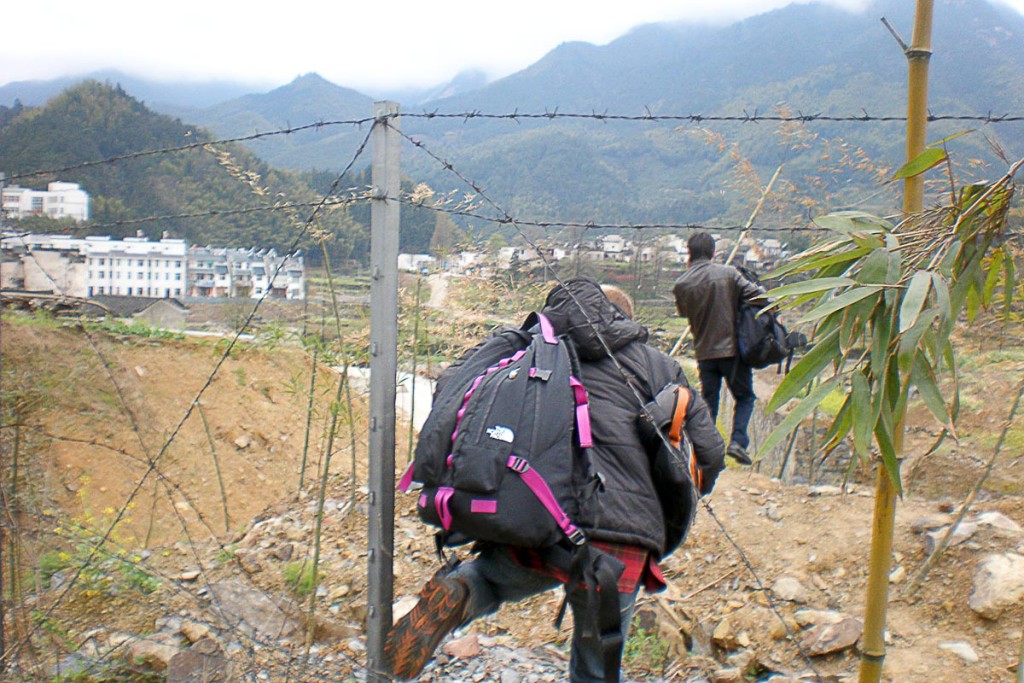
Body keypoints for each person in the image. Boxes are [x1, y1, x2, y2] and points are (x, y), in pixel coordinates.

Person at [385, 276, 725, 683]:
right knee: (596, 666)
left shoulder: (540, 352)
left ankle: (464, 590)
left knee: (496, 577)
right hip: (624, 542)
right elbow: (711, 452)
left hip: (547, 519)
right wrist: (687, 491)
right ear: (625, 321)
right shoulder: (660, 366)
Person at [671, 232, 767, 466]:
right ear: (713, 252)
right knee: (744, 397)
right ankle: (737, 441)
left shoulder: (682, 284)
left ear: (689, 253)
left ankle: (705, 451)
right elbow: (758, 296)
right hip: (732, 351)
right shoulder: (728, 274)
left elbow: (684, 313)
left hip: (704, 352)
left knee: (708, 403)